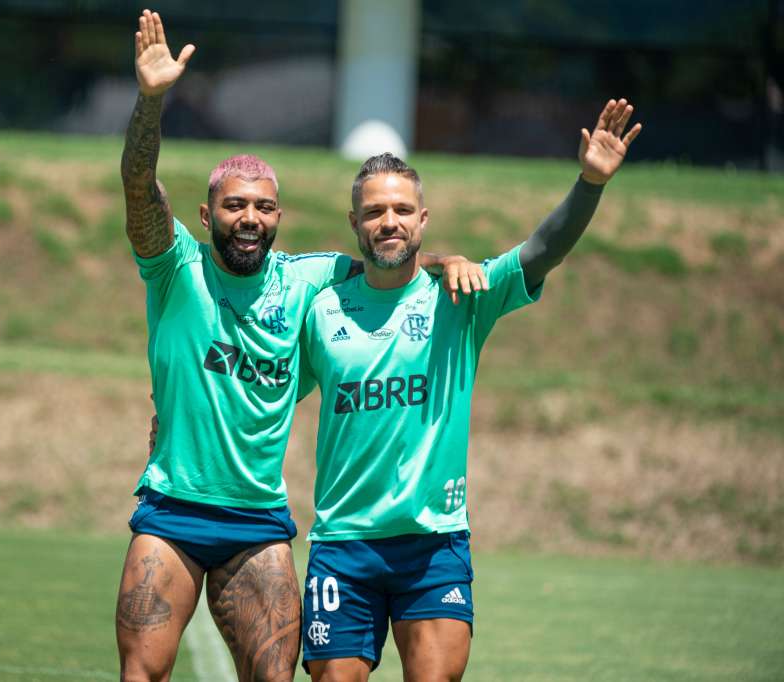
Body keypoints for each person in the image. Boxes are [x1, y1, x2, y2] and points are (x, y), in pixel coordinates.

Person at [117, 10, 483, 682]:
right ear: (207, 216)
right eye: (234, 206)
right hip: (171, 512)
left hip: (257, 518)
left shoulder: (313, 279)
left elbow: (391, 260)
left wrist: (445, 260)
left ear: (278, 216)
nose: (249, 218)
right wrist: (151, 101)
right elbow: (140, 188)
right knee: (142, 673)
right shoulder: (174, 268)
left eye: (262, 207)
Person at [297, 100, 642, 681]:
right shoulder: (321, 308)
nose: (389, 222)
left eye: (402, 210)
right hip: (342, 542)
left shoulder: (463, 294)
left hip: (433, 545)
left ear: (423, 219)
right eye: (375, 211)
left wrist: (589, 184)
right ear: (354, 222)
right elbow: (270, 388)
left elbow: (539, 252)